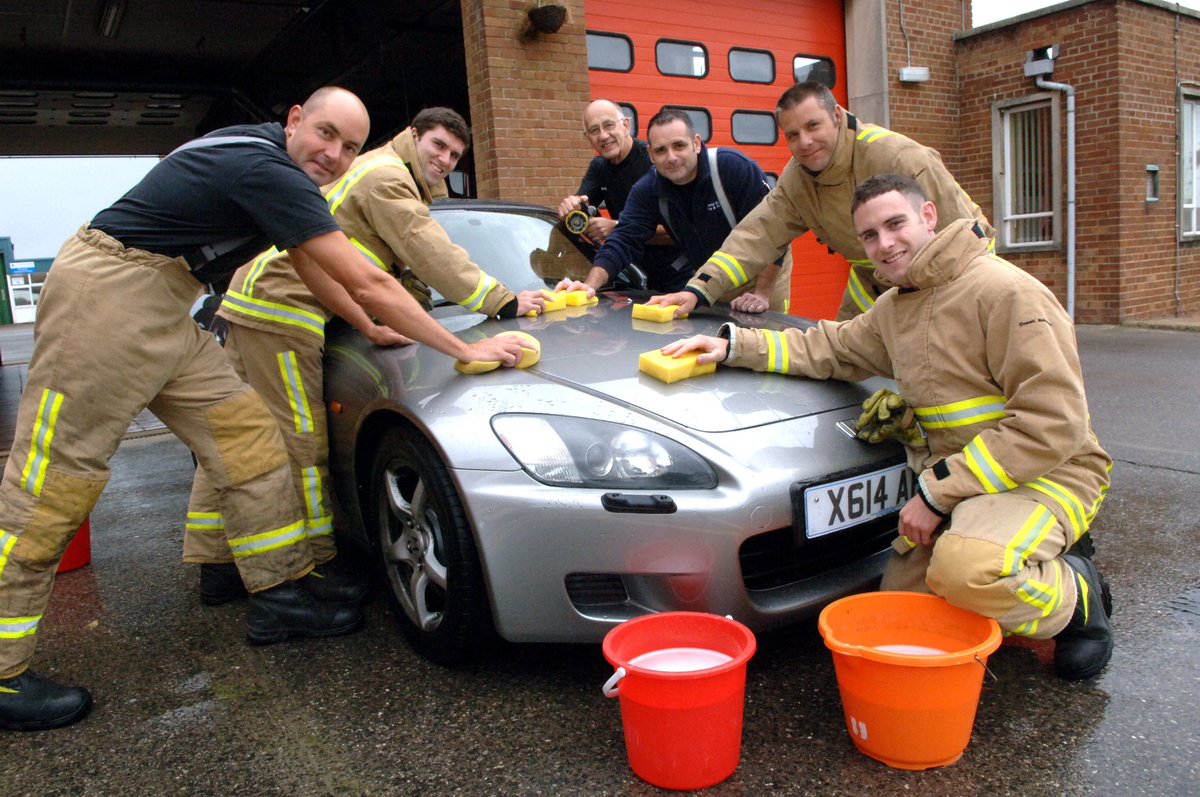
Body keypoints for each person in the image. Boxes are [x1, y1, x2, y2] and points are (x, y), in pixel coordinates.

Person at [0, 88, 529, 732]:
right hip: (108, 295)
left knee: (246, 436)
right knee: (53, 480)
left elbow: (315, 268)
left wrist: (369, 326)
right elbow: (367, 277)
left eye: (350, 147)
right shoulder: (264, 168)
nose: (334, 155)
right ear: (295, 120)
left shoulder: (269, 165)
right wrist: (462, 347)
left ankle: (276, 592)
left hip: (165, 301)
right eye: (326, 134)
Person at [662, 174, 1114, 681]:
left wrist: (937, 495)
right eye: (870, 235)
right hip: (969, 483)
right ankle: (999, 569)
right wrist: (731, 346)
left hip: (1047, 474)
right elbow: (831, 348)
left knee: (967, 573)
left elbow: (1053, 422)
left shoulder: (1006, 291)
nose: (885, 243)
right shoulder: (898, 306)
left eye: (896, 224)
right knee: (898, 615)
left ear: (929, 217)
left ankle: (1078, 599)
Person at [183, 107, 546, 606]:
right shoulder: (387, 178)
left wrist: (369, 324)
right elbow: (428, 252)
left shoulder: (371, 168)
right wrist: (500, 301)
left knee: (236, 441)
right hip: (284, 312)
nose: (445, 160)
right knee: (301, 443)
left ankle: (218, 565)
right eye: (438, 145)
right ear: (412, 135)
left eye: (455, 155)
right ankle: (313, 567)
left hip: (253, 304)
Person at [649, 81, 993, 320]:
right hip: (872, 279)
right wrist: (699, 290)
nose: (805, 142)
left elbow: (965, 234)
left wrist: (962, 305)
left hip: (948, 278)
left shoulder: (898, 156)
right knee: (845, 359)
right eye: (793, 135)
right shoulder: (796, 181)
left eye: (813, 126)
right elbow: (755, 236)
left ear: (837, 117)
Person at [559, 108, 791, 309]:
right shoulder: (647, 190)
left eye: (679, 145)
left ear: (696, 144)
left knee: (763, 337)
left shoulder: (733, 168)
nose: (671, 157)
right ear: (651, 154)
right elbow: (622, 241)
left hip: (762, 272)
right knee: (720, 338)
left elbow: (773, 231)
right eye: (661, 150)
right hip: (712, 276)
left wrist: (762, 293)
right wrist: (589, 287)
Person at [556, 99, 680, 268]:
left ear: (626, 126)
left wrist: (617, 228)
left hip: (676, 273)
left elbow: (679, 230)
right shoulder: (599, 167)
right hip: (632, 274)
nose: (603, 136)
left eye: (609, 125)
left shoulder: (653, 160)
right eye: (594, 130)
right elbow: (581, 206)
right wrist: (571, 206)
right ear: (588, 138)